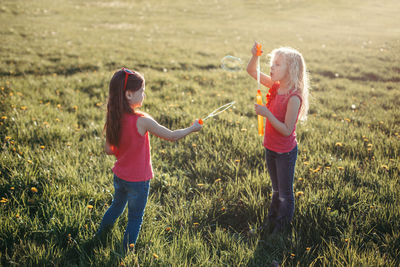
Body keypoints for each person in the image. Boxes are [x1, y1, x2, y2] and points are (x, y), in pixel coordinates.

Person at [96, 68, 202, 251]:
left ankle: (99, 237)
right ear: (129, 94)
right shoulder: (142, 120)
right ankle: (125, 253)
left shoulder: (114, 117)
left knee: (116, 207)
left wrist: (125, 148)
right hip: (138, 181)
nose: (144, 95)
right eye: (141, 91)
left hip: (120, 176)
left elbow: (108, 150)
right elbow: (171, 136)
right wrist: (191, 128)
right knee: (135, 218)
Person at [247, 43, 310, 234]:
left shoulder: (293, 97)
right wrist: (255, 56)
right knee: (275, 191)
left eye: (277, 65)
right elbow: (251, 70)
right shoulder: (275, 86)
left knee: (285, 194)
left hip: (285, 153)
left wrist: (267, 114)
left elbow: (286, 129)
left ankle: (280, 231)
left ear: (290, 70)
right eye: (272, 64)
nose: (272, 68)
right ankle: (269, 225)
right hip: (271, 148)